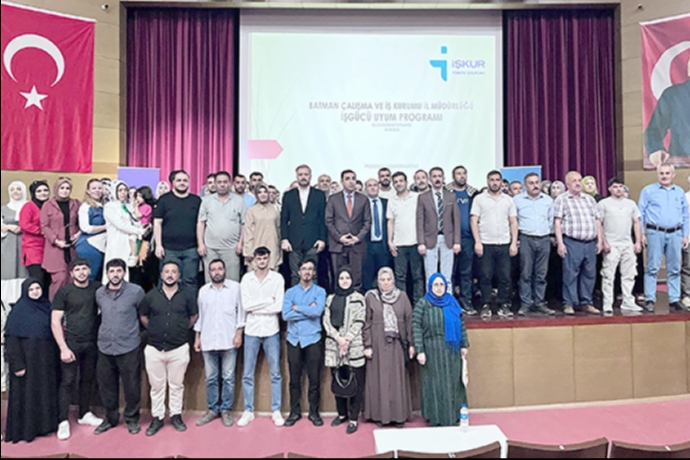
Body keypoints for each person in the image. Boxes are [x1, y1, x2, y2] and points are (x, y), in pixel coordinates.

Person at [139, 261, 198, 436]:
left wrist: (180, 329)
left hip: (178, 348)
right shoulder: (150, 296)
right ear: (161, 275)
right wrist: (155, 330)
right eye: (167, 271)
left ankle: (175, 416)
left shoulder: (187, 296)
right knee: (156, 387)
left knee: (176, 385)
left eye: (174, 272)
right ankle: (157, 418)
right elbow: (143, 316)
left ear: (179, 275)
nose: (170, 275)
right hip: (154, 348)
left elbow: (193, 317)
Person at [51, 259, 103, 440]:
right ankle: (63, 421)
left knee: (88, 379)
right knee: (67, 382)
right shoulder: (64, 292)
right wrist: (63, 348)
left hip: (91, 343)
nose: (81, 272)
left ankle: (84, 413)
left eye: (84, 269)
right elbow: (55, 321)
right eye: (77, 269)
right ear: (71, 273)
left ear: (89, 271)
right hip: (71, 343)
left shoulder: (97, 288)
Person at [3, 279, 59, 443]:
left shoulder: (47, 307)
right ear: (25, 291)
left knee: (43, 393)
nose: (35, 292)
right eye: (31, 289)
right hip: (26, 363)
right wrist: (18, 364)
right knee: (27, 395)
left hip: (45, 361)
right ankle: (26, 431)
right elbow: (11, 340)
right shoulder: (18, 311)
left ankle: (44, 427)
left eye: (38, 288)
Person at [94, 258, 145, 435]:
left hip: (129, 345)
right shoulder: (99, 293)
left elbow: (143, 315)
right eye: (112, 271)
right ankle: (110, 419)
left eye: (118, 271)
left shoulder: (136, 292)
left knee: (132, 386)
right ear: (107, 273)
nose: (115, 274)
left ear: (124, 272)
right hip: (105, 346)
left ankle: (132, 419)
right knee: (107, 386)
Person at [413, 273, 469, 427]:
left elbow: (461, 325)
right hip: (432, 351)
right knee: (435, 385)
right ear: (430, 286)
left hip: (452, 351)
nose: (439, 288)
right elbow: (416, 327)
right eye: (436, 285)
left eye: (441, 285)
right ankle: (435, 417)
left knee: (453, 384)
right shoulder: (423, 304)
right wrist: (420, 350)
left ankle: (453, 416)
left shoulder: (452, 302)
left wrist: (464, 345)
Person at [194, 259, 244, 428]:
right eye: (213, 269)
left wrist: (239, 334)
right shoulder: (203, 291)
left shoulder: (235, 288)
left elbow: (241, 314)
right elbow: (200, 316)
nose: (217, 272)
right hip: (208, 340)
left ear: (225, 270)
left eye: (219, 269)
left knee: (228, 377)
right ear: (209, 273)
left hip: (229, 340)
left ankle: (226, 410)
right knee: (211, 378)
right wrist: (197, 338)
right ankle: (212, 409)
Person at [238, 247, 285, 428]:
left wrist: (258, 306)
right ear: (254, 260)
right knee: (247, 373)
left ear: (269, 259)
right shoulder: (246, 279)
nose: (262, 261)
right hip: (251, 330)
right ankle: (248, 410)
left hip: (271, 330)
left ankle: (276, 410)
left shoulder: (277, 278)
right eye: (259, 259)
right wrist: (267, 301)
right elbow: (246, 306)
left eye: (265, 258)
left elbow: (278, 307)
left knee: (276, 373)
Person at [363, 267, 413, 428]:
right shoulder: (371, 297)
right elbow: (366, 323)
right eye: (382, 280)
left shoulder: (402, 297)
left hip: (397, 345)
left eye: (388, 279)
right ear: (378, 281)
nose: (385, 283)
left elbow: (409, 322)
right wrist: (367, 344)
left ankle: (399, 416)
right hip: (377, 345)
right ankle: (379, 415)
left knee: (396, 380)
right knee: (379, 380)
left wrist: (411, 344)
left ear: (393, 280)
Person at [638, 164, 690, 312]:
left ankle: (674, 299)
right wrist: (641, 233)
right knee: (652, 267)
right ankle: (650, 298)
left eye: (667, 173)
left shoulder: (679, 192)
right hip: (655, 232)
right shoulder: (648, 191)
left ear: (673, 175)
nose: (664, 176)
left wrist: (685, 235)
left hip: (676, 233)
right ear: (657, 174)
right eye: (661, 173)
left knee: (675, 268)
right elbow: (640, 213)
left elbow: (686, 215)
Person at [282, 259, 326, 427]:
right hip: (294, 340)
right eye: (304, 269)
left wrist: (297, 308)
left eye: (310, 269)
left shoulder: (320, 291)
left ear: (314, 273)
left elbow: (317, 312)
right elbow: (286, 315)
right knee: (294, 380)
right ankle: (294, 412)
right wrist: (308, 308)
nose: (307, 272)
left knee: (314, 380)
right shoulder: (290, 292)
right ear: (299, 272)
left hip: (313, 339)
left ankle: (314, 413)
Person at [554, 171, 604, 315]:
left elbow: (597, 221)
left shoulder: (589, 199)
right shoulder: (562, 199)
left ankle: (586, 302)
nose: (577, 183)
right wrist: (560, 243)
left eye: (579, 180)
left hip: (590, 242)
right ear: (567, 184)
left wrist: (600, 241)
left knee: (589, 274)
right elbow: (557, 222)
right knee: (570, 274)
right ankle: (569, 303)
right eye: (574, 181)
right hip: (572, 242)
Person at [323, 266, 366, 434]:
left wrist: (347, 339)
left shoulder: (359, 298)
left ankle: (353, 418)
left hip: (353, 345)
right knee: (338, 381)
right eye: (341, 278)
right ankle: (342, 414)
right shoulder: (330, 298)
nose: (344, 281)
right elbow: (326, 321)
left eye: (347, 278)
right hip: (335, 346)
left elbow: (360, 320)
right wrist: (338, 339)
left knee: (356, 383)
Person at [471, 170, 518, 319]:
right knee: (485, 276)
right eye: (492, 180)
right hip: (486, 243)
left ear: (501, 182)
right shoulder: (479, 199)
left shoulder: (508, 200)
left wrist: (513, 243)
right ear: (487, 181)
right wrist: (477, 242)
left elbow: (513, 222)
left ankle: (503, 304)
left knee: (505, 276)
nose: (495, 182)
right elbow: (474, 221)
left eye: (497, 180)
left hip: (504, 243)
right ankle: (486, 304)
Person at [599, 178, 643, 314]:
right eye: (615, 187)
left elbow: (636, 222)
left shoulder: (631, 204)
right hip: (612, 244)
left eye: (620, 186)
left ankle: (628, 301)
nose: (618, 189)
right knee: (608, 275)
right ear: (609, 189)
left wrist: (637, 241)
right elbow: (598, 223)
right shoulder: (603, 204)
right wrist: (603, 241)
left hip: (627, 244)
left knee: (629, 274)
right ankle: (607, 303)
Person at [514, 173, 556, 316]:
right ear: (525, 186)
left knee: (541, 274)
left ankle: (539, 302)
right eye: (531, 183)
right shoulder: (517, 200)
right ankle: (526, 303)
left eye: (537, 182)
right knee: (525, 273)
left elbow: (550, 220)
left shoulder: (548, 200)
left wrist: (547, 233)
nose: (535, 185)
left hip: (544, 239)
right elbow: (513, 220)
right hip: (526, 238)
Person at [153, 170, 202, 290]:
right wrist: (158, 245)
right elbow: (157, 223)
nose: (182, 183)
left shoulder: (196, 200)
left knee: (190, 281)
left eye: (185, 180)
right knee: (167, 281)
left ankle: (189, 303)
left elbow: (201, 224)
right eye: (179, 180)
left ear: (189, 182)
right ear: (173, 182)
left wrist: (201, 245)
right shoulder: (164, 200)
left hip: (191, 249)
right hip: (169, 249)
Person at [281, 165, 327, 286]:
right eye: (300, 174)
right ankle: (296, 297)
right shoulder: (288, 195)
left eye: (306, 174)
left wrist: (322, 239)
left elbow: (322, 219)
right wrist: (284, 239)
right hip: (293, 242)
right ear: (296, 176)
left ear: (310, 176)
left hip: (313, 241)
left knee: (313, 274)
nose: (303, 177)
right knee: (295, 275)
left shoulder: (319, 195)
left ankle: (312, 298)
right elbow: (284, 219)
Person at [326, 170, 372, 290]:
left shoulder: (363, 199)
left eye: (353, 178)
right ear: (342, 181)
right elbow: (329, 221)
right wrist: (340, 237)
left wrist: (357, 238)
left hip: (357, 245)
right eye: (347, 179)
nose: (351, 181)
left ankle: (356, 300)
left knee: (356, 277)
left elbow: (367, 222)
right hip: (337, 245)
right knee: (338, 277)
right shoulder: (333, 199)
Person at [417, 167, 461, 290]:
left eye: (439, 176)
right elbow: (420, 221)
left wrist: (457, 241)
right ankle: (431, 301)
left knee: (447, 276)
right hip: (429, 240)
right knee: (430, 276)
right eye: (434, 176)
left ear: (443, 178)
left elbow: (456, 220)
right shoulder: (423, 197)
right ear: (430, 179)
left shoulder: (451, 196)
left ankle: (447, 301)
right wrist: (421, 242)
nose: (437, 179)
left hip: (448, 239)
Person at [197, 171, 246, 283]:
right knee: (211, 281)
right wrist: (200, 244)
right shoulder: (206, 201)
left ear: (230, 183)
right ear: (215, 184)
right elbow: (201, 223)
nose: (222, 185)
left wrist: (240, 243)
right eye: (219, 182)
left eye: (225, 182)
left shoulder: (239, 201)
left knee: (232, 281)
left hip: (232, 249)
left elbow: (244, 224)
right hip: (210, 248)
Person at [40, 177, 81, 301]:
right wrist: (56, 241)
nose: (65, 190)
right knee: (60, 278)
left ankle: (70, 307)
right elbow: (44, 226)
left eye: (67, 188)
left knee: (72, 278)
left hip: (72, 247)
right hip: (55, 248)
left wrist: (78, 234)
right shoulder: (47, 205)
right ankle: (55, 306)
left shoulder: (76, 204)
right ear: (56, 189)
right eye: (62, 188)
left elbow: (82, 222)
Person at [387, 172, 424, 304]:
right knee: (400, 277)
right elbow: (390, 221)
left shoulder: (417, 197)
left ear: (406, 182)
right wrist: (390, 241)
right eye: (396, 182)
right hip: (399, 244)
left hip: (415, 243)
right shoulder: (392, 200)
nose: (398, 184)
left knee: (417, 277)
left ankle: (418, 304)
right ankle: (402, 305)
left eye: (401, 181)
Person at [644, 59, 690, 164]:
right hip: (680, 165)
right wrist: (655, 149)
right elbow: (654, 130)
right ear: (688, 71)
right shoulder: (673, 96)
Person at [448, 166, 479, 315]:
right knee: (450, 272)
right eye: (458, 174)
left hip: (468, 239)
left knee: (466, 273)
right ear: (453, 176)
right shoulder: (447, 192)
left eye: (464, 173)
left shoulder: (473, 194)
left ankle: (466, 302)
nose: (461, 176)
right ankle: (450, 302)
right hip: (449, 239)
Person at [103, 181, 145, 282]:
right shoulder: (110, 206)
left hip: (130, 241)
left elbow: (135, 220)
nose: (123, 192)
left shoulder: (128, 205)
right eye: (120, 190)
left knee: (129, 270)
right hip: (117, 241)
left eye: (125, 190)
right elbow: (120, 225)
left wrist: (140, 228)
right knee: (116, 267)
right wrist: (139, 231)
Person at [19, 181, 50, 290]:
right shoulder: (29, 206)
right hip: (33, 248)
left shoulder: (51, 205)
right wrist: (42, 231)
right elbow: (24, 224)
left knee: (48, 280)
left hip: (49, 248)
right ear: (33, 193)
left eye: (45, 190)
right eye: (39, 191)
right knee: (38, 279)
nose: (43, 193)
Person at [362, 179, 392, 291]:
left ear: (379, 187)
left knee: (384, 276)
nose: (373, 187)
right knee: (367, 277)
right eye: (369, 186)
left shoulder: (387, 203)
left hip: (383, 245)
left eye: (375, 185)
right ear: (366, 189)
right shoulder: (362, 204)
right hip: (367, 245)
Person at [244, 184, 282, 270]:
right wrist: (248, 252)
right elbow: (248, 232)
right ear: (256, 195)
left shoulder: (275, 209)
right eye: (260, 192)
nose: (263, 194)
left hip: (273, 247)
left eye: (265, 192)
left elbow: (278, 229)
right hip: (256, 246)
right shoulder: (251, 211)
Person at [2, 181, 28, 303]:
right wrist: (9, 227)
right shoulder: (3, 209)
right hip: (7, 244)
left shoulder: (29, 207)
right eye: (12, 189)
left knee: (24, 271)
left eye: (18, 189)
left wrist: (22, 228)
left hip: (26, 243)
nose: (15, 192)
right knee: (7, 271)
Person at [75, 179, 107, 281]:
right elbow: (85, 228)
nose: (97, 190)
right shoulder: (85, 207)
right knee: (90, 277)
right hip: (89, 246)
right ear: (88, 191)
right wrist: (107, 227)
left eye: (99, 188)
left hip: (101, 244)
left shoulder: (105, 205)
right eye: (94, 188)